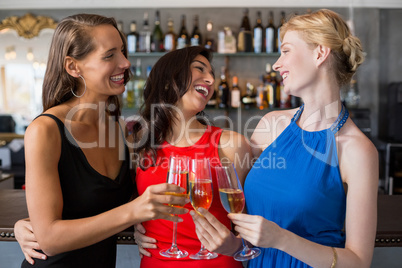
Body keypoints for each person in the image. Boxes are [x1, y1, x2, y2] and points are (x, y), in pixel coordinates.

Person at [190, 9, 378, 268]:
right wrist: (154, 229)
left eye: (286, 51)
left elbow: (358, 262)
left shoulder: (357, 150)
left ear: (320, 53)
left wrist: (281, 239)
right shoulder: (271, 124)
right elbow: (232, 207)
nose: (277, 63)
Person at [13, 13, 189, 267]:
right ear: (73, 67)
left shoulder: (120, 129)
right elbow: (49, 239)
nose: (126, 63)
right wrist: (135, 211)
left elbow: (101, 209)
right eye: (110, 56)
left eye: (122, 52)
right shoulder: (45, 130)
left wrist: (140, 221)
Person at [131, 46, 252, 267]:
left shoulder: (230, 145)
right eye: (200, 69)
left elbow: (252, 225)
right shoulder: (141, 144)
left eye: (212, 75)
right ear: (168, 81)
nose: (210, 80)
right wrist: (134, 227)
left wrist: (237, 244)